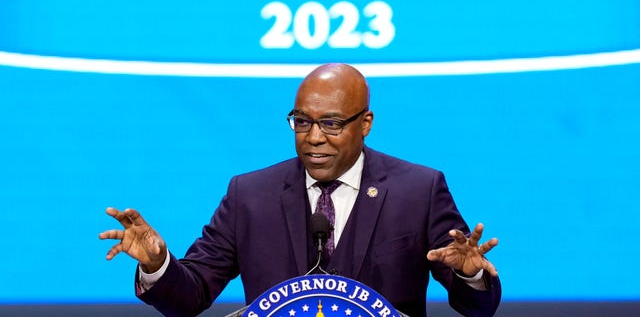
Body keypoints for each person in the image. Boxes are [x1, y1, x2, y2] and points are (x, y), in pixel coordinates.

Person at [100, 63, 501, 317]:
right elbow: (190, 296)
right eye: (302, 122)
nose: (313, 138)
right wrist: (157, 264)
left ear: (365, 124)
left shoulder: (420, 190)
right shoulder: (250, 195)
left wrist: (470, 275)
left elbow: (478, 307)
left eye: (331, 123)